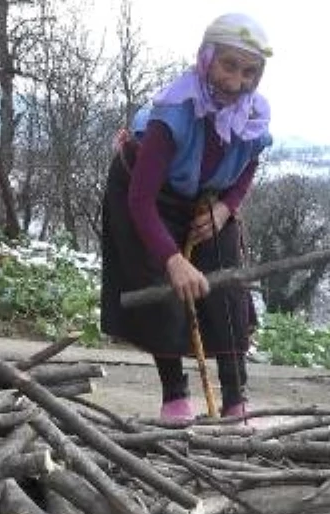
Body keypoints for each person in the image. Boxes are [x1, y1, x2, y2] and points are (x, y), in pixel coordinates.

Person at [100, 12, 272, 420]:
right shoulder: (172, 114)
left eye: (250, 71)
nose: (236, 82)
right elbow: (140, 202)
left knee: (226, 281)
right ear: (206, 59)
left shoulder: (254, 119)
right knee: (164, 286)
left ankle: (235, 399)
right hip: (144, 194)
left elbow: (248, 166)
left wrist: (224, 208)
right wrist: (173, 260)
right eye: (228, 65)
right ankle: (175, 396)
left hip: (205, 198)